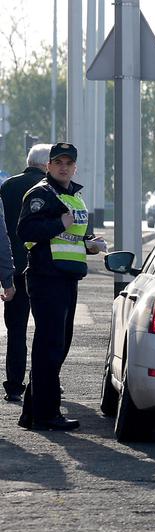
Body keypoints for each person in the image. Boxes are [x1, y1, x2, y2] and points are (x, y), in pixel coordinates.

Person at [17, 142, 107, 431]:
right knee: (50, 347)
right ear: (48, 166)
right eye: (58, 162)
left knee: (58, 345)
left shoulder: (74, 197)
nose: (64, 167)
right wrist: (59, 223)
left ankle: (31, 412)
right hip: (46, 277)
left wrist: (89, 245)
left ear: (75, 167)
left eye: (68, 163)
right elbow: (26, 232)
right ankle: (47, 414)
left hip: (67, 277)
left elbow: (73, 236)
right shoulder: (41, 194)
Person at [1, 144, 50, 402]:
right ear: (46, 164)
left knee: (16, 329)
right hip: (44, 270)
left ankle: (14, 384)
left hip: (15, 268)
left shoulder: (7, 186)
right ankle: (44, 382)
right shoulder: (50, 188)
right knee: (47, 331)